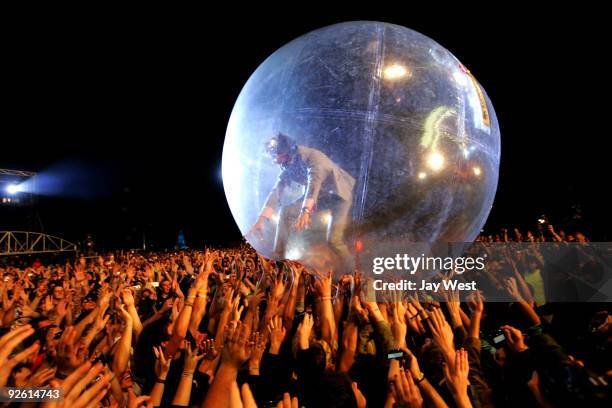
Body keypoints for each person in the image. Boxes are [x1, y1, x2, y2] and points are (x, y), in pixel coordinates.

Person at [248, 133, 356, 273]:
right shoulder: (288, 164)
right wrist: (260, 220)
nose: (274, 160)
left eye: (275, 155)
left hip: (339, 197)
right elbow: (276, 191)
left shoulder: (313, 157)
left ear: (285, 151)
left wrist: (305, 211)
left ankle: (354, 273)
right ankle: (278, 259)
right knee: (286, 212)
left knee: (334, 240)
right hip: (320, 196)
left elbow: (314, 183)